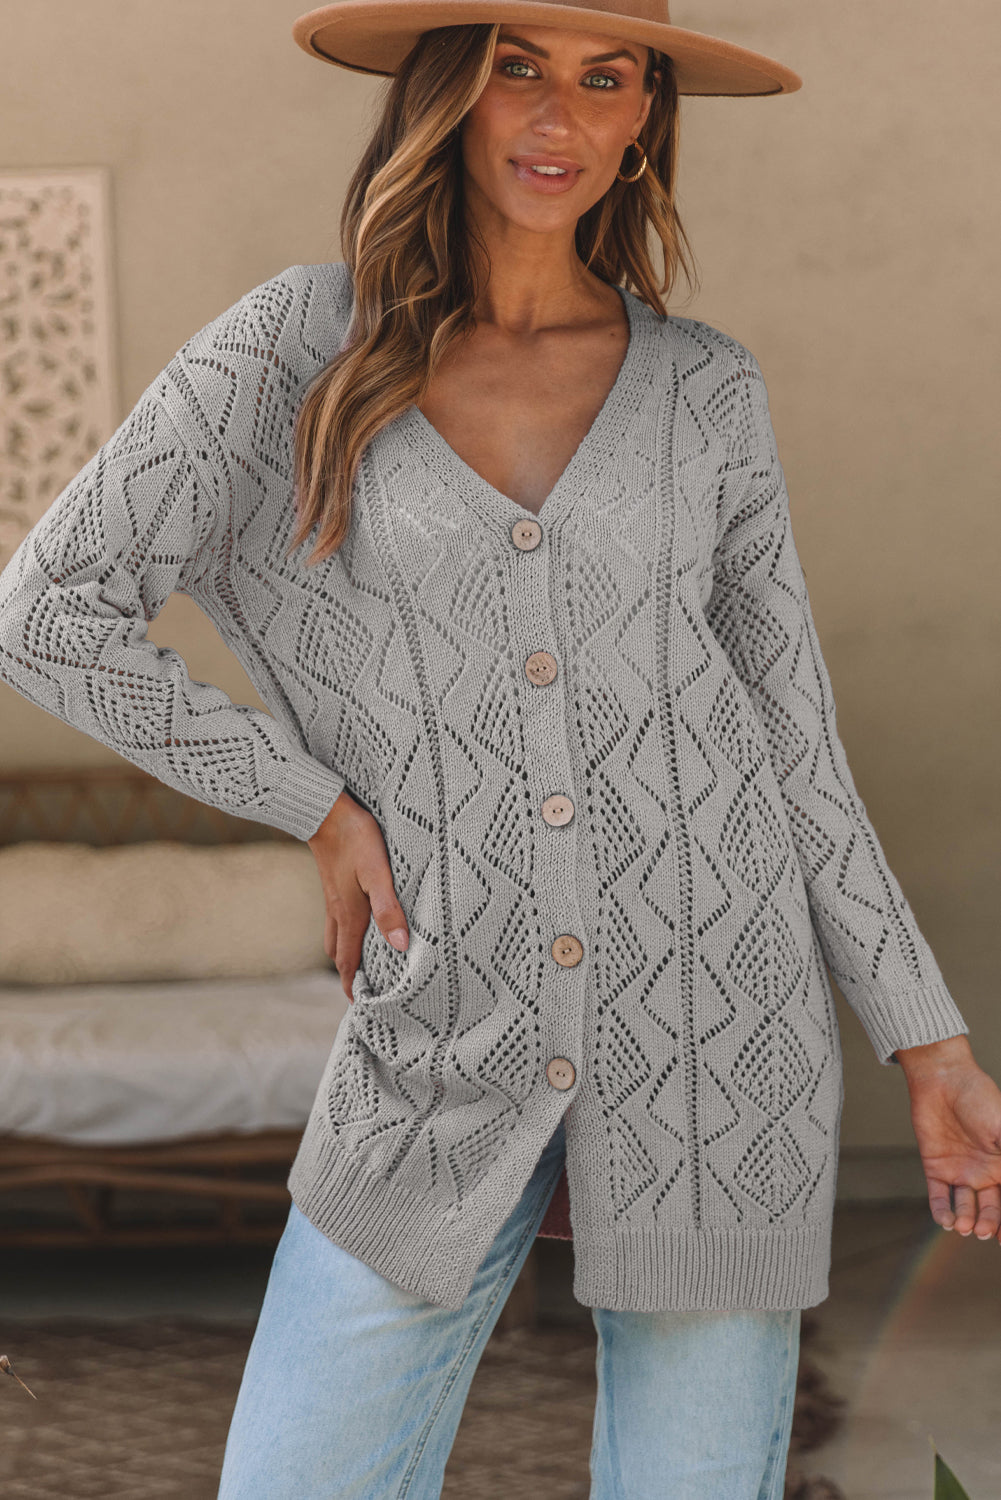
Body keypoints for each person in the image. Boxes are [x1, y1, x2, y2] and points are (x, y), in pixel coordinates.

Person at [1, 3, 998, 1496]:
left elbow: (793, 741)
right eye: (515, 66)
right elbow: (45, 614)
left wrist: (930, 1044)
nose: (557, 116)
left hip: (718, 1023)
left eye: (606, 78)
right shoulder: (291, 347)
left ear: (645, 116)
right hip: (441, 1020)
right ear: (446, 92)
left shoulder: (704, 390)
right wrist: (314, 805)